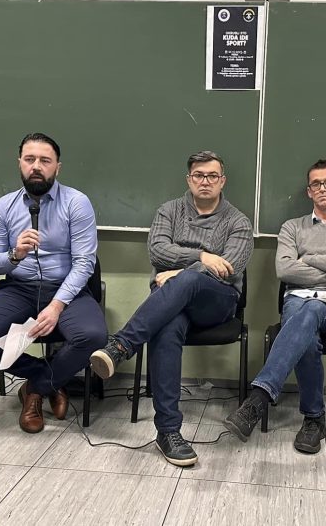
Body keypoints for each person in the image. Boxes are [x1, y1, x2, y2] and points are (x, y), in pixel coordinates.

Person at [90, 150, 253, 467]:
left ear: (222, 181)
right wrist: (203, 257)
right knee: (166, 327)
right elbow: (157, 251)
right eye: (198, 175)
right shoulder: (169, 211)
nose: (205, 181)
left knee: (188, 281)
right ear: (189, 179)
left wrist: (181, 271)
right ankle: (168, 432)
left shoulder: (238, 221)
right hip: (169, 300)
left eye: (212, 176)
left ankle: (121, 345)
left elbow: (229, 268)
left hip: (217, 301)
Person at [0, 133, 106, 434]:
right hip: (19, 289)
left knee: (94, 336)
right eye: (30, 159)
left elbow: (84, 263)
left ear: (57, 167)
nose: (36, 166)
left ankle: (35, 390)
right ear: (20, 163)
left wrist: (56, 306)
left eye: (45, 161)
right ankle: (45, 376)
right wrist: (15, 254)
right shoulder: (4, 206)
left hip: (66, 291)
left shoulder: (76, 203)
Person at [223, 159, 326, 454]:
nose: (322, 188)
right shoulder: (292, 227)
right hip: (298, 298)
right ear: (309, 191)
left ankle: (258, 399)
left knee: (314, 308)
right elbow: (285, 270)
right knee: (308, 331)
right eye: (316, 184)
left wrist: (309, 259)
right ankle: (314, 419)